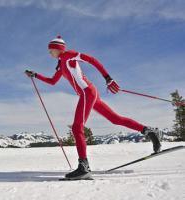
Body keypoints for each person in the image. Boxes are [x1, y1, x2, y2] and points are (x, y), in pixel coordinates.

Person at [25, 35, 163, 180]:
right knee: (115, 119)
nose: (49, 53)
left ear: (58, 48)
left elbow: (91, 59)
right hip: (89, 93)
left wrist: (107, 77)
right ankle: (149, 130)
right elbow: (53, 81)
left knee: (77, 127)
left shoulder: (68, 55)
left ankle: (83, 167)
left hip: (87, 92)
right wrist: (35, 75)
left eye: (51, 50)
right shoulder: (61, 64)